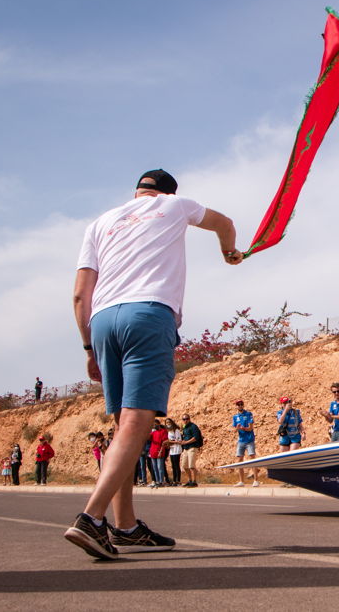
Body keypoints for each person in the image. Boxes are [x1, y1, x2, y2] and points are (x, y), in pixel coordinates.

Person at [65, 168, 240, 559]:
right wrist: (230, 252)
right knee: (137, 422)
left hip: (103, 321)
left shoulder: (100, 222)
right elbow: (224, 224)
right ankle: (92, 518)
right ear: (167, 191)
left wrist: (89, 348)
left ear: (137, 191)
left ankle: (125, 525)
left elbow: (80, 295)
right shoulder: (175, 205)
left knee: (121, 426)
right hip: (148, 314)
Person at [231, 400, 260, 487]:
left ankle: (256, 480)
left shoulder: (248, 414)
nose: (240, 406)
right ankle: (241, 481)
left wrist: (243, 428)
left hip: (249, 440)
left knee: (252, 458)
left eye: (241, 404)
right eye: (238, 405)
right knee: (239, 460)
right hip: (241, 440)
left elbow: (250, 428)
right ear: (236, 406)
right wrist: (237, 428)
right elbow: (234, 430)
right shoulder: (235, 417)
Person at [179, 414, 203, 488]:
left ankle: (194, 481)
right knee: (184, 466)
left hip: (192, 447)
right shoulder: (184, 427)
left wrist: (186, 442)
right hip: (186, 448)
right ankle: (189, 480)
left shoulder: (193, 426)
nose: (185, 420)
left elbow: (195, 437)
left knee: (191, 466)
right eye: (184, 419)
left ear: (189, 419)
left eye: (187, 419)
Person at [148, 421, 169, 488]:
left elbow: (164, 442)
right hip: (153, 451)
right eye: (153, 425)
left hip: (159, 451)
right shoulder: (153, 432)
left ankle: (161, 481)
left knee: (160, 467)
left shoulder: (163, 431)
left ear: (159, 424)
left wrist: (161, 451)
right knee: (155, 468)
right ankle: (157, 481)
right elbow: (148, 438)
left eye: (155, 424)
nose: (154, 426)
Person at [165, 418, 183, 486]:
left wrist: (170, 441)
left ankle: (178, 480)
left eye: (169, 422)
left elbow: (179, 440)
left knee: (176, 465)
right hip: (172, 450)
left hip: (177, 449)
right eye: (167, 422)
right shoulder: (169, 431)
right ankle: (174, 480)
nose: (168, 423)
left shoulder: (176, 430)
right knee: (173, 465)